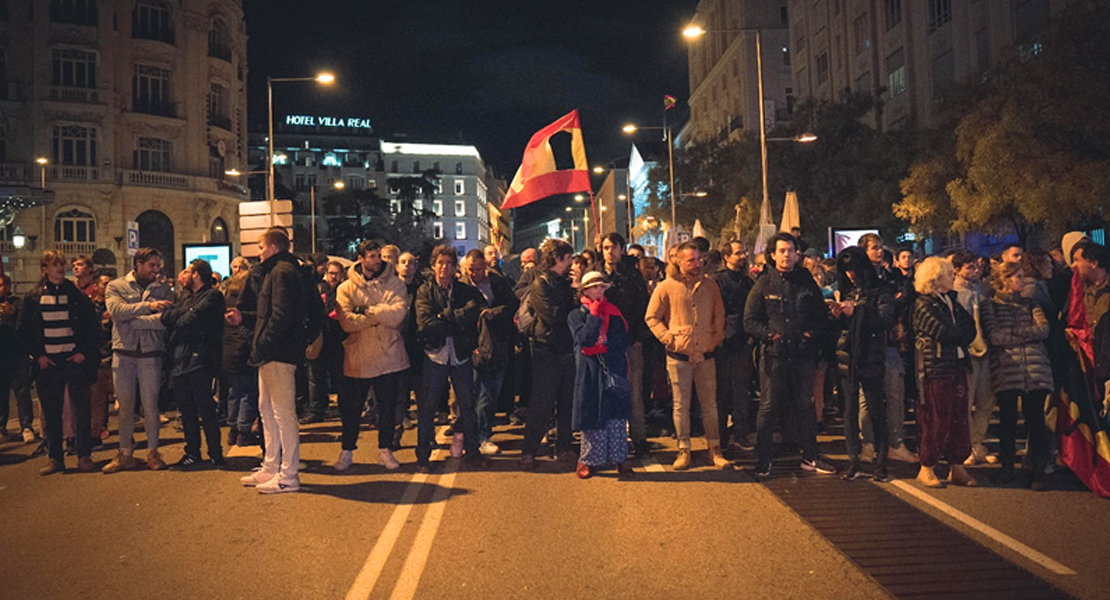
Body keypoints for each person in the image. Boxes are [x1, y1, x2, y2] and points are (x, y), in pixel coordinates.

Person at [228, 227, 314, 494]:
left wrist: (264, 344)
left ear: (273, 248)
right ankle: (271, 466)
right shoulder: (277, 272)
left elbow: (281, 316)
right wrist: (247, 319)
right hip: (271, 352)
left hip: (278, 353)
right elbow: (270, 315)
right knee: (267, 410)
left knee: (282, 413)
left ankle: (288, 474)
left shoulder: (282, 273)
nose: (259, 251)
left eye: (261, 246)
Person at [744, 233, 837, 477]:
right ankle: (764, 460)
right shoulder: (763, 282)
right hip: (774, 356)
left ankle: (810, 457)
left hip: (802, 356)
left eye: (791, 250)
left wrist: (808, 335)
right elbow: (750, 320)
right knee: (768, 408)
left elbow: (820, 316)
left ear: (798, 254)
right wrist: (770, 335)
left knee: (805, 406)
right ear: (773, 255)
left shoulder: (806, 281)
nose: (787, 255)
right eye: (782, 251)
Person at [646, 241, 730, 470]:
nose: (697, 263)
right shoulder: (666, 286)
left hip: (705, 355)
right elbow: (652, 317)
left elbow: (719, 316)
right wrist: (669, 338)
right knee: (680, 405)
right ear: (679, 261)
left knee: (710, 405)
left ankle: (715, 448)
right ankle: (684, 449)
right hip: (678, 356)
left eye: (699, 259)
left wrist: (714, 340)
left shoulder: (710, 286)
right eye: (691, 260)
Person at [16, 251, 100, 475]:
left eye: (62, 264)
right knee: (51, 413)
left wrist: (83, 352)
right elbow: (23, 331)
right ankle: (55, 458)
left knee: (81, 410)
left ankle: (84, 455)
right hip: (49, 363)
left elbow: (92, 326)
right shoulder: (33, 297)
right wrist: (39, 356)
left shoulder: (75, 294)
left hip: (73, 360)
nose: (60, 268)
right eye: (55, 265)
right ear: (44, 268)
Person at [335, 240, 409, 471]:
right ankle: (347, 450)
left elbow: (397, 315)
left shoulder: (395, 284)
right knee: (352, 409)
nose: (377, 261)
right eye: (372, 256)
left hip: (389, 354)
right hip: (358, 356)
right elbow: (347, 322)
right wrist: (379, 314)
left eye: (379, 256)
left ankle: (385, 450)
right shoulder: (345, 288)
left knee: (387, 407)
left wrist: (365, 310)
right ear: (361, 258)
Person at [980, 261, 1052, 490]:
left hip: (1035, 368)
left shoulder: (1030, 303)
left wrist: (1012, 332)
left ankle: (1037, 471)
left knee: (1036, 420)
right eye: (1018, 276)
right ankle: (1007, 467)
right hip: (1007, 368)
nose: (1023, 280)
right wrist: (1026, 335)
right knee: (1008, 420)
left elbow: (1043, 330)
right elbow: (994, 336)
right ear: (1006, 280)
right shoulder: (990, 306)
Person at [102, 248, 174, 473]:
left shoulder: (164, 289)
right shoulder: (116, 286)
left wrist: (132, 320)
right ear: (139, 264)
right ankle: (125, 453)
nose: (156, 270)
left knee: (150, 405)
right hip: (124, 353)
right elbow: (116, 310)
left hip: (150, 353)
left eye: (158, 265)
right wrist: (149, 306)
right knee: (125, 406)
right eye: (152, 265)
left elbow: (164, 320)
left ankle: (153, 451)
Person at [416, 244, 486, 470]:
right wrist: (455, 323)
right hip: (434, 354)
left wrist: (445, 317)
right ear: (433, 265)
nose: (444, 268)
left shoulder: (465, 291)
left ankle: (473, 452)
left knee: (467, 405)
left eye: (449, 264)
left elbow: (473, 311)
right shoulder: (425, 290)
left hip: (460, 355)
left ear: (455, 267)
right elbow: (425, 323)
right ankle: (423, 456)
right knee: (428, 407)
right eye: (440, 263)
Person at [911, 257, 978, 488]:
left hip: (957, 365)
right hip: (935, 368)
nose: (953, 277)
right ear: (936, 278)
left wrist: (958, 332)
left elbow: (969, 328)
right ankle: (927, 466)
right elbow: (943, 333)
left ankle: (956, 465)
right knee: (935, 418)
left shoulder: (951, 302)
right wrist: (957, 333)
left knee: (959, 417)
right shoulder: (923, 304)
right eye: (949, 274)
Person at [832, 247, 895, 481]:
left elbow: (885, 320)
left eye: (853, 269)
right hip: (846, 357)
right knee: (849, 410)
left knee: (876, 409)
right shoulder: (845, 291)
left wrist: (857, 310)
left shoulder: (881, 290)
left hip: (870, 356)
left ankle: (881, 461)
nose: (850, 275)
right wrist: (836, 315)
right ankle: (853, 460)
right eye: (846, 271)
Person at [155, 259, 226, 468]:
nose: (182, 276)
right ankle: (192, 452)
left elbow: (191, 320)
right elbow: (167, 317)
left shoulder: (213, 296)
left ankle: (216, 453)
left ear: (196, 274)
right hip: (179, 360)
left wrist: (183, 316)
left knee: (206, 409)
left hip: (199, 360)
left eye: (186, 272)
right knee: (186, 411)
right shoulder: (186, 297)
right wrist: (184, 314)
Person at [569, 271, 634, 479]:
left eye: (601, 287)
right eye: (594, 287)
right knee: (592, 413)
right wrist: (595, 317)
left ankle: (620, 457)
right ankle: (588, 458)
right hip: (590, 370)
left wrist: (603, 345)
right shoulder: (576, 314)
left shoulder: (614, 311)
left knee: (616, 413)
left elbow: (621, 339)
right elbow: (584, 339)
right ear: (585, 290)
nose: (598, 290)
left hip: (612, 367)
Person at [520, 239, 577, 469]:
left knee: (567, 403)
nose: (571, 263)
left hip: (567, 350)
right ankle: (529, 450)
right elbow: (552, 316)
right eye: (568, 258)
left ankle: (563, 446)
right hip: (547, 350)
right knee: (542, 403)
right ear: (557, 259)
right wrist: (573, 310)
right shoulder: (540, 285)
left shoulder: (565, 284)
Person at [461, 249, 518, 455]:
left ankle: (481, 435)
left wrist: (496, 312)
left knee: (489, 394)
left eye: (478, 269)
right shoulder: (463, 286)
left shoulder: (498, 282)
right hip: (471, 346)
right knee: (475, 394)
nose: (474, 274)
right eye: (471, 270)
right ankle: (476, 436)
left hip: (496, 345)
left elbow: (512, 304)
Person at [599, 233, 651, 457]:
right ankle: (610, 441)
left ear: (621, 249)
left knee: (634, 393)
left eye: (613, 247)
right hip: (604, 344)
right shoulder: (596, 274)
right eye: (605, 247)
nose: (609, 251)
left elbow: (642, 307)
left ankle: (639, 439)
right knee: (607, 392)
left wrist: (639, 337)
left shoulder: (632, 275)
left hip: (629, 342)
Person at [951, 250, 995, 466]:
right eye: (969, 267)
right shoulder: (953, 293)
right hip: (967, 354)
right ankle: (966, 445)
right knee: (966, 402)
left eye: (976, 266)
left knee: (986, 400)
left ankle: (978, 442)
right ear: (957, 270)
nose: (975, 270)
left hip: (986, 351)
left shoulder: (984, 290)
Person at [715, 240, 755, 452]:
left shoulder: (748, 282)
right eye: (738, 253)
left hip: (743, 342)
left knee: (741, 391)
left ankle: (742, 433)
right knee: (721, 392)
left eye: (744, 252)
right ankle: (720, 436)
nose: (743, 256)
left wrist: (750, 337)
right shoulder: (717, 281)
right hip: (722, 342)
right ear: (727, 256)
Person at [302, 260, 346, 424]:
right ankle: (316, 409)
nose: (334, 276)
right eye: (331, 273)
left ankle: (344, 409)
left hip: (338, 339)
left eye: (337, 273)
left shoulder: (343, 290)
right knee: (315, 376)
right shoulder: (318, 288)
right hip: (320, 336)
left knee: (340, 376)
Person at [221, 257, 259, 447]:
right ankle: (244, 431)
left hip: (228, 347)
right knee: (247, 391)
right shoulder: (246, 301)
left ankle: (233, 429)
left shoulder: (227, 296)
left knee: (233, 391)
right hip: (243, 346)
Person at [0, 274, 36, 444]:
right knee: (1, 394)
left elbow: (24, 326)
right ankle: (2, 427)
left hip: (17, 354)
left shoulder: (16, 303)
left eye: (1, 285)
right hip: (1, 355)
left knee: (21, 392)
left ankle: (26, 426)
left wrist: (12, 314)